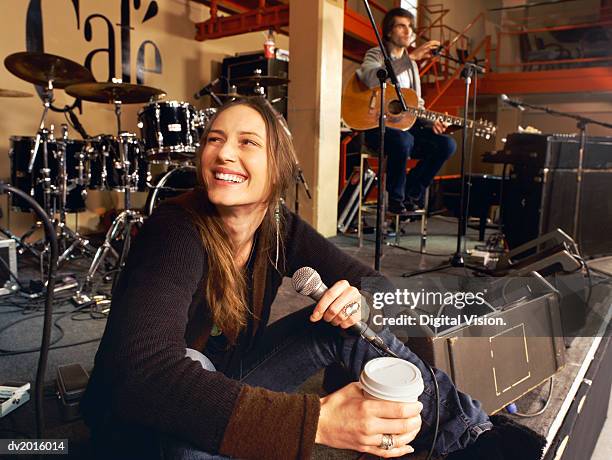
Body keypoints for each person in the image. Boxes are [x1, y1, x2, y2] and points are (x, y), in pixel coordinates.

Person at [81, 97, 525, 460]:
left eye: (247, 142)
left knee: (345, 323)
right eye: (214, 139)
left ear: (278, 168)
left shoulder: (278, 225)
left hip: (229, 377)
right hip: (139, 417)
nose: (223, 152)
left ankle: (470, 433)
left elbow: (377, 286)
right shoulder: (174, 228)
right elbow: (145, 375)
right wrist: (317, 421)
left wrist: (357, 302)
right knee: (193, 406)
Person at [356, 7, 457, 215]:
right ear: (389, 31)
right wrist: (409, 58)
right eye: (401, 26)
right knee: (404, 140)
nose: (407, 31)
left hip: (406, 128)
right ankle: (395, 199)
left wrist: (432, 123)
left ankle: (411, 192)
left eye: (410, 27)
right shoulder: (376, 54)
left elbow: (416, 105)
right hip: (378, 127)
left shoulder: (412, 67)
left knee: (447, 144)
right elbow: (370, 77)